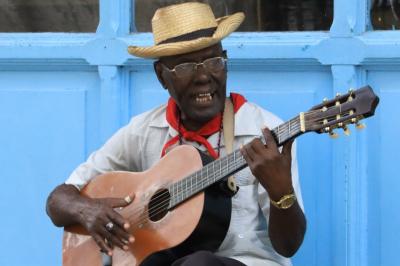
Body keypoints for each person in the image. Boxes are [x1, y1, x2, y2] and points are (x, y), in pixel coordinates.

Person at [46, 2, 306, 266]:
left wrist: (280, 191)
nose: (204, 76)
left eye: (213, 61)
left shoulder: (264, 132)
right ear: (161, 76)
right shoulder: (144, 131)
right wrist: (87, 210)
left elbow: (289, 246)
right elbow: (58, 201)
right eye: (185, 67)